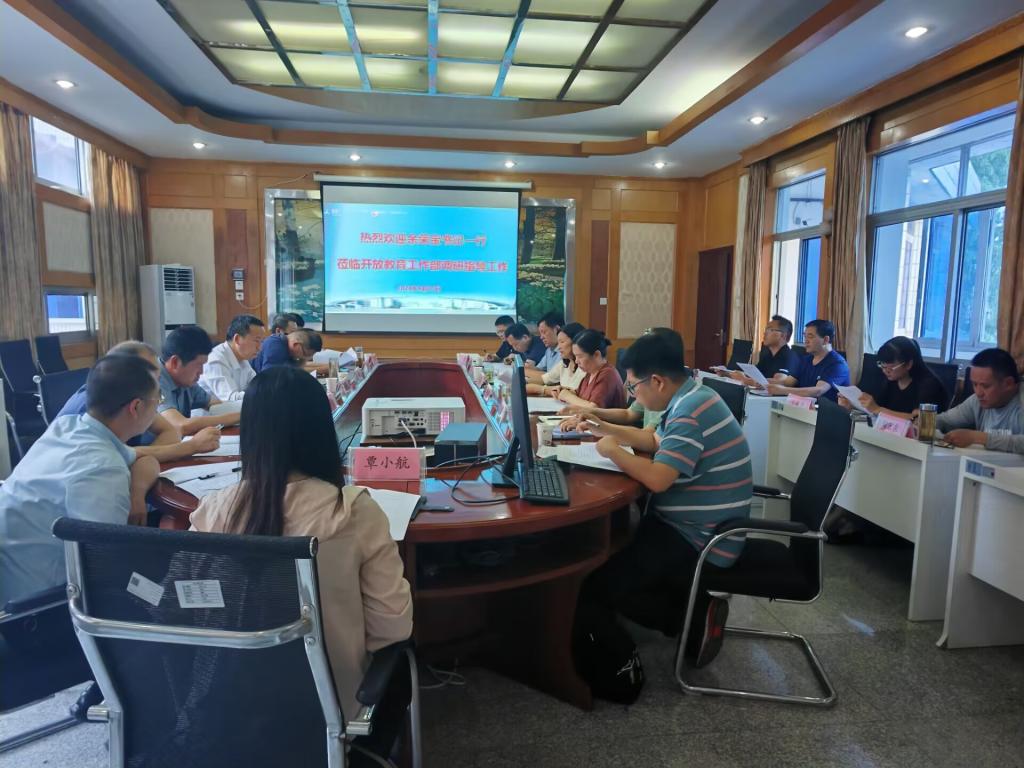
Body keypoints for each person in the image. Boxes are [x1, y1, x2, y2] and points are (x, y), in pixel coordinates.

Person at [189, 366, 412, 762]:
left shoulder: (212, 511)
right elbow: (393, 627)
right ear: (320, 429)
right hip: (335, 714)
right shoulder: (353, 512)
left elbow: (189, 612)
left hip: (227, 709)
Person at [572, 333, 752, 695]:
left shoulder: (690, 411)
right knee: (617, 552)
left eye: (634, 386)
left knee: (598, 585)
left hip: (702, 537)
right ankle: (690, 610)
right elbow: (654, 441)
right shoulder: (692, 395)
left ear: (656, 381)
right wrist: (601, 428)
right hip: (691, 523)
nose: (634, 395)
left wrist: (613, 451)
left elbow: (657, 479)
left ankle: (692, 619)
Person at [0, 355, 163, 605]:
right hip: (38, 606)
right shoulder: (102, 468)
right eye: (157, 401)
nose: (157, 408)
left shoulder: (67, 427)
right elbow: (108, 569)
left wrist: (137, 493)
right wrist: (161, 596)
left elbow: (145, 459)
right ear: (136, 407)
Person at [58, 341, 221, 461]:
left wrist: (140, 459)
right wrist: (189, 447)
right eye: (152, 378)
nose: (156, 387)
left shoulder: (130, 395)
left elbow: (170, 431)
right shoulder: (95, 406)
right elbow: (111, 457)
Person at [560, 327, 684, 430]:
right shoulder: (651, 385)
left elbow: (650, 438)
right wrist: (590, 413)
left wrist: (601, 427)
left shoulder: (667, 396)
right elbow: (628, 414)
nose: (633, 394)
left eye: (633, 386)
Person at [936, 348, 1023, 453]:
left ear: (1008, 384)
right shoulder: (976, 401)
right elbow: (944, 420)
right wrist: (924, 420)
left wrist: (978, 437)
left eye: (985, 386)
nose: (978, 393)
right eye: (974, 384)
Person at [158, 325, 241, 435]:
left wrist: (245, 408)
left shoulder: (185, 381)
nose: (201, 372)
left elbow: (214, 403)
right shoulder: (154, 379)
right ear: (175, 362)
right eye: (198, 365)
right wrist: (243, 415)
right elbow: (180, 426)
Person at [840, 336, 948, 420]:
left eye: (891, 367)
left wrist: (878, 409)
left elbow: (918, 420)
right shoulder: (890, 380)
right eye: (882, 365)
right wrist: (852, 406)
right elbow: (875, 410)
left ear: (908, 364)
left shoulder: (929, 385)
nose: (885, 371)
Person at [766, 319, 849, 401]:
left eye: (810, 337)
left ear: (825, 340)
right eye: (804, 336)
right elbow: (788, 382)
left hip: (825, 409)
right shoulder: (805, 360)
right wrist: (764, 382)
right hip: (802, 406)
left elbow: (818, 391)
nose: (805, 341)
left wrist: (783, 390)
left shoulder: (837, 363)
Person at [199, 314, 265, 402]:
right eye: (256, 341)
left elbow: (257, 386)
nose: (260, 348)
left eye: (261, 341)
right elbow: (231, 400)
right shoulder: (216, 360)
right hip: (213, 411)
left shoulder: (243, 359)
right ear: (237, 339)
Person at [555, 329, 625, 410]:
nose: (576, 361)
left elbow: (594, 408)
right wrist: (564, 390)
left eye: (580, 356)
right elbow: (578, 394)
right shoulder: (590, 372)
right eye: (575, 356)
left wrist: (567, 396)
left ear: (596, 354)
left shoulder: (608, 374)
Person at [727, 315, 801, 385]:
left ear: (784, 336)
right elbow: (755, 374)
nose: (765, 333)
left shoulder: (789, 356)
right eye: (766, 329)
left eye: (770, 330)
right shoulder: (768, 355)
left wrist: (745, 380)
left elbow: (779, 382)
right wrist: (729, 374)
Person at [526, 322, 585, 397]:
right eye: (558, 342)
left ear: (576, 342)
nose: (559, 347)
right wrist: (524, 382)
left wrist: (543, 389)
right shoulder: (564, 364)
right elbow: (544, 379)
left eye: (562, 342)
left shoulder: (586, 367)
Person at [252, 328, 324, 373]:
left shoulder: (287, 348)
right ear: (296, 345)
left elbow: (296, 369)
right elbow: (270, 378)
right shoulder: (275, 345)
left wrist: (302, 360)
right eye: (305, 354)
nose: (304, 358)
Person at [525, 311, 564, 380]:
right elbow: (540, 370)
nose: (541, 337)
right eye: (540, 334)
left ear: (557, 329)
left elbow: (554, 378)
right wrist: (530, 368)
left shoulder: (565, 351)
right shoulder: (549, 350)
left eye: (544, 332)